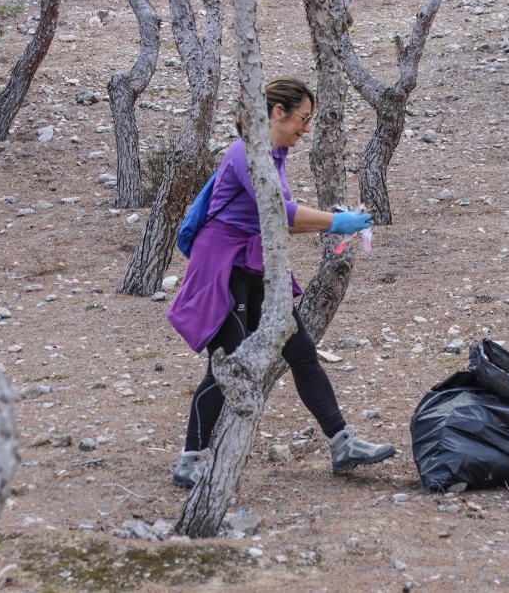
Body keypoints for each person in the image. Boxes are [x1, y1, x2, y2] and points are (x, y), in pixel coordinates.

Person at [167, 76, 395, 488]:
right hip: (226, 269)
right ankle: (190, 459)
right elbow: (282, 213)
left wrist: (330, 222)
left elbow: (279, 221)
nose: (305, 129)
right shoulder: (245, 153)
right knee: (229, 363)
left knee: (302, 351)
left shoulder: (274, 158)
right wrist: (336, 222)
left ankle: (342, 442)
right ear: (277, 112)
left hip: (260, 266)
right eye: (302, 119)